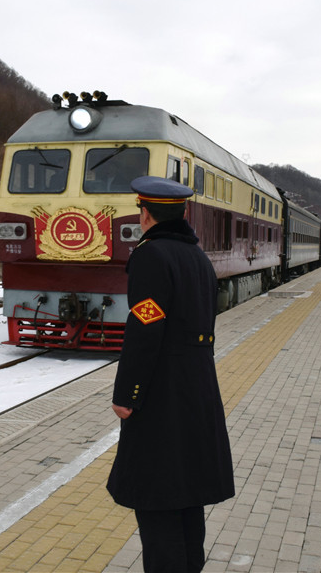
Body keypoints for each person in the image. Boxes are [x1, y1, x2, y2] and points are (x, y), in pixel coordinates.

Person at [107, 176, 235, 573]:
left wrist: (127, 395)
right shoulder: (197, 257)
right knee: (186, 498)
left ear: (145, 214)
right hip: (197, 389)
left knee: (157, 499)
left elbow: (145, 329)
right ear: (184, 214)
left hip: (161, 396)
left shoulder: (151, 255)